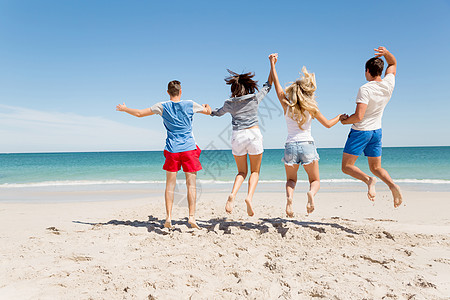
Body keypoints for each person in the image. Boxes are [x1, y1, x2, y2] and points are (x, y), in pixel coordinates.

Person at [116, 80, 211, 229]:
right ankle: (191, 217)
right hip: (189, 149)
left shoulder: (162, 106)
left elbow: (140, 114)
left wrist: (125, 108)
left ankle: (168, 217)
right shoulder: (190, 104)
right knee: (191, 185)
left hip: (172, 150)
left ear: (168, 92)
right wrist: (206, 106)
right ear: (180, 91)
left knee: (170, 186)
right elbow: (208, 112)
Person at [269, 53, 345, 216]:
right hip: (307, 145)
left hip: (290, 146)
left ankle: (289, 200)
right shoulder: (312, 108)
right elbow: (328, 125)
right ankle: (311, 194)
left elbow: (277, 86)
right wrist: (339, 117)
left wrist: (273, 65)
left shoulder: (287, 106)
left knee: (291, 180)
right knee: (315, 181)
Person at [340, 46, 402, 208]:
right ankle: (392, 186)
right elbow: (393, 64)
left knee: (346, 167)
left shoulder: (365, 89)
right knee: (376, 167)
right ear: (380, 71)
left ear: (367, 71)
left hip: (361, 131)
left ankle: (369, 180)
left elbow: (359, 116)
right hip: (377, 132)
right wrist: (387, 53)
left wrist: (344, 121)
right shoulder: (388, 84)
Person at [210, 67, 273, 216]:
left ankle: (232, 195)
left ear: (234, 88)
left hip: (237, 136)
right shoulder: (254, 98)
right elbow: (268, 85)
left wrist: (208, 110)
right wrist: (272, 65)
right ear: (248, 86)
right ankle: (249, 197)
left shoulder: (229, 103)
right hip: (253, 134)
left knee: (241, 172)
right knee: (255, 171)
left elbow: (217, 113)